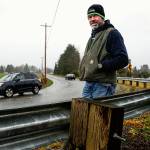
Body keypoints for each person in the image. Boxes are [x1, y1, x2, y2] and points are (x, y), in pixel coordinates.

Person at [79, 4, 129, 99]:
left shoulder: (112, 33)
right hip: (89, 84)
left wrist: (101, 66)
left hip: (103, 85)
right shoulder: (92, 37)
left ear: (102, 17)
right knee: (86, 113)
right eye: (89, 17)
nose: (92, 19)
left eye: (95, 16)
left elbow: (123, 59)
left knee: (100, 114)